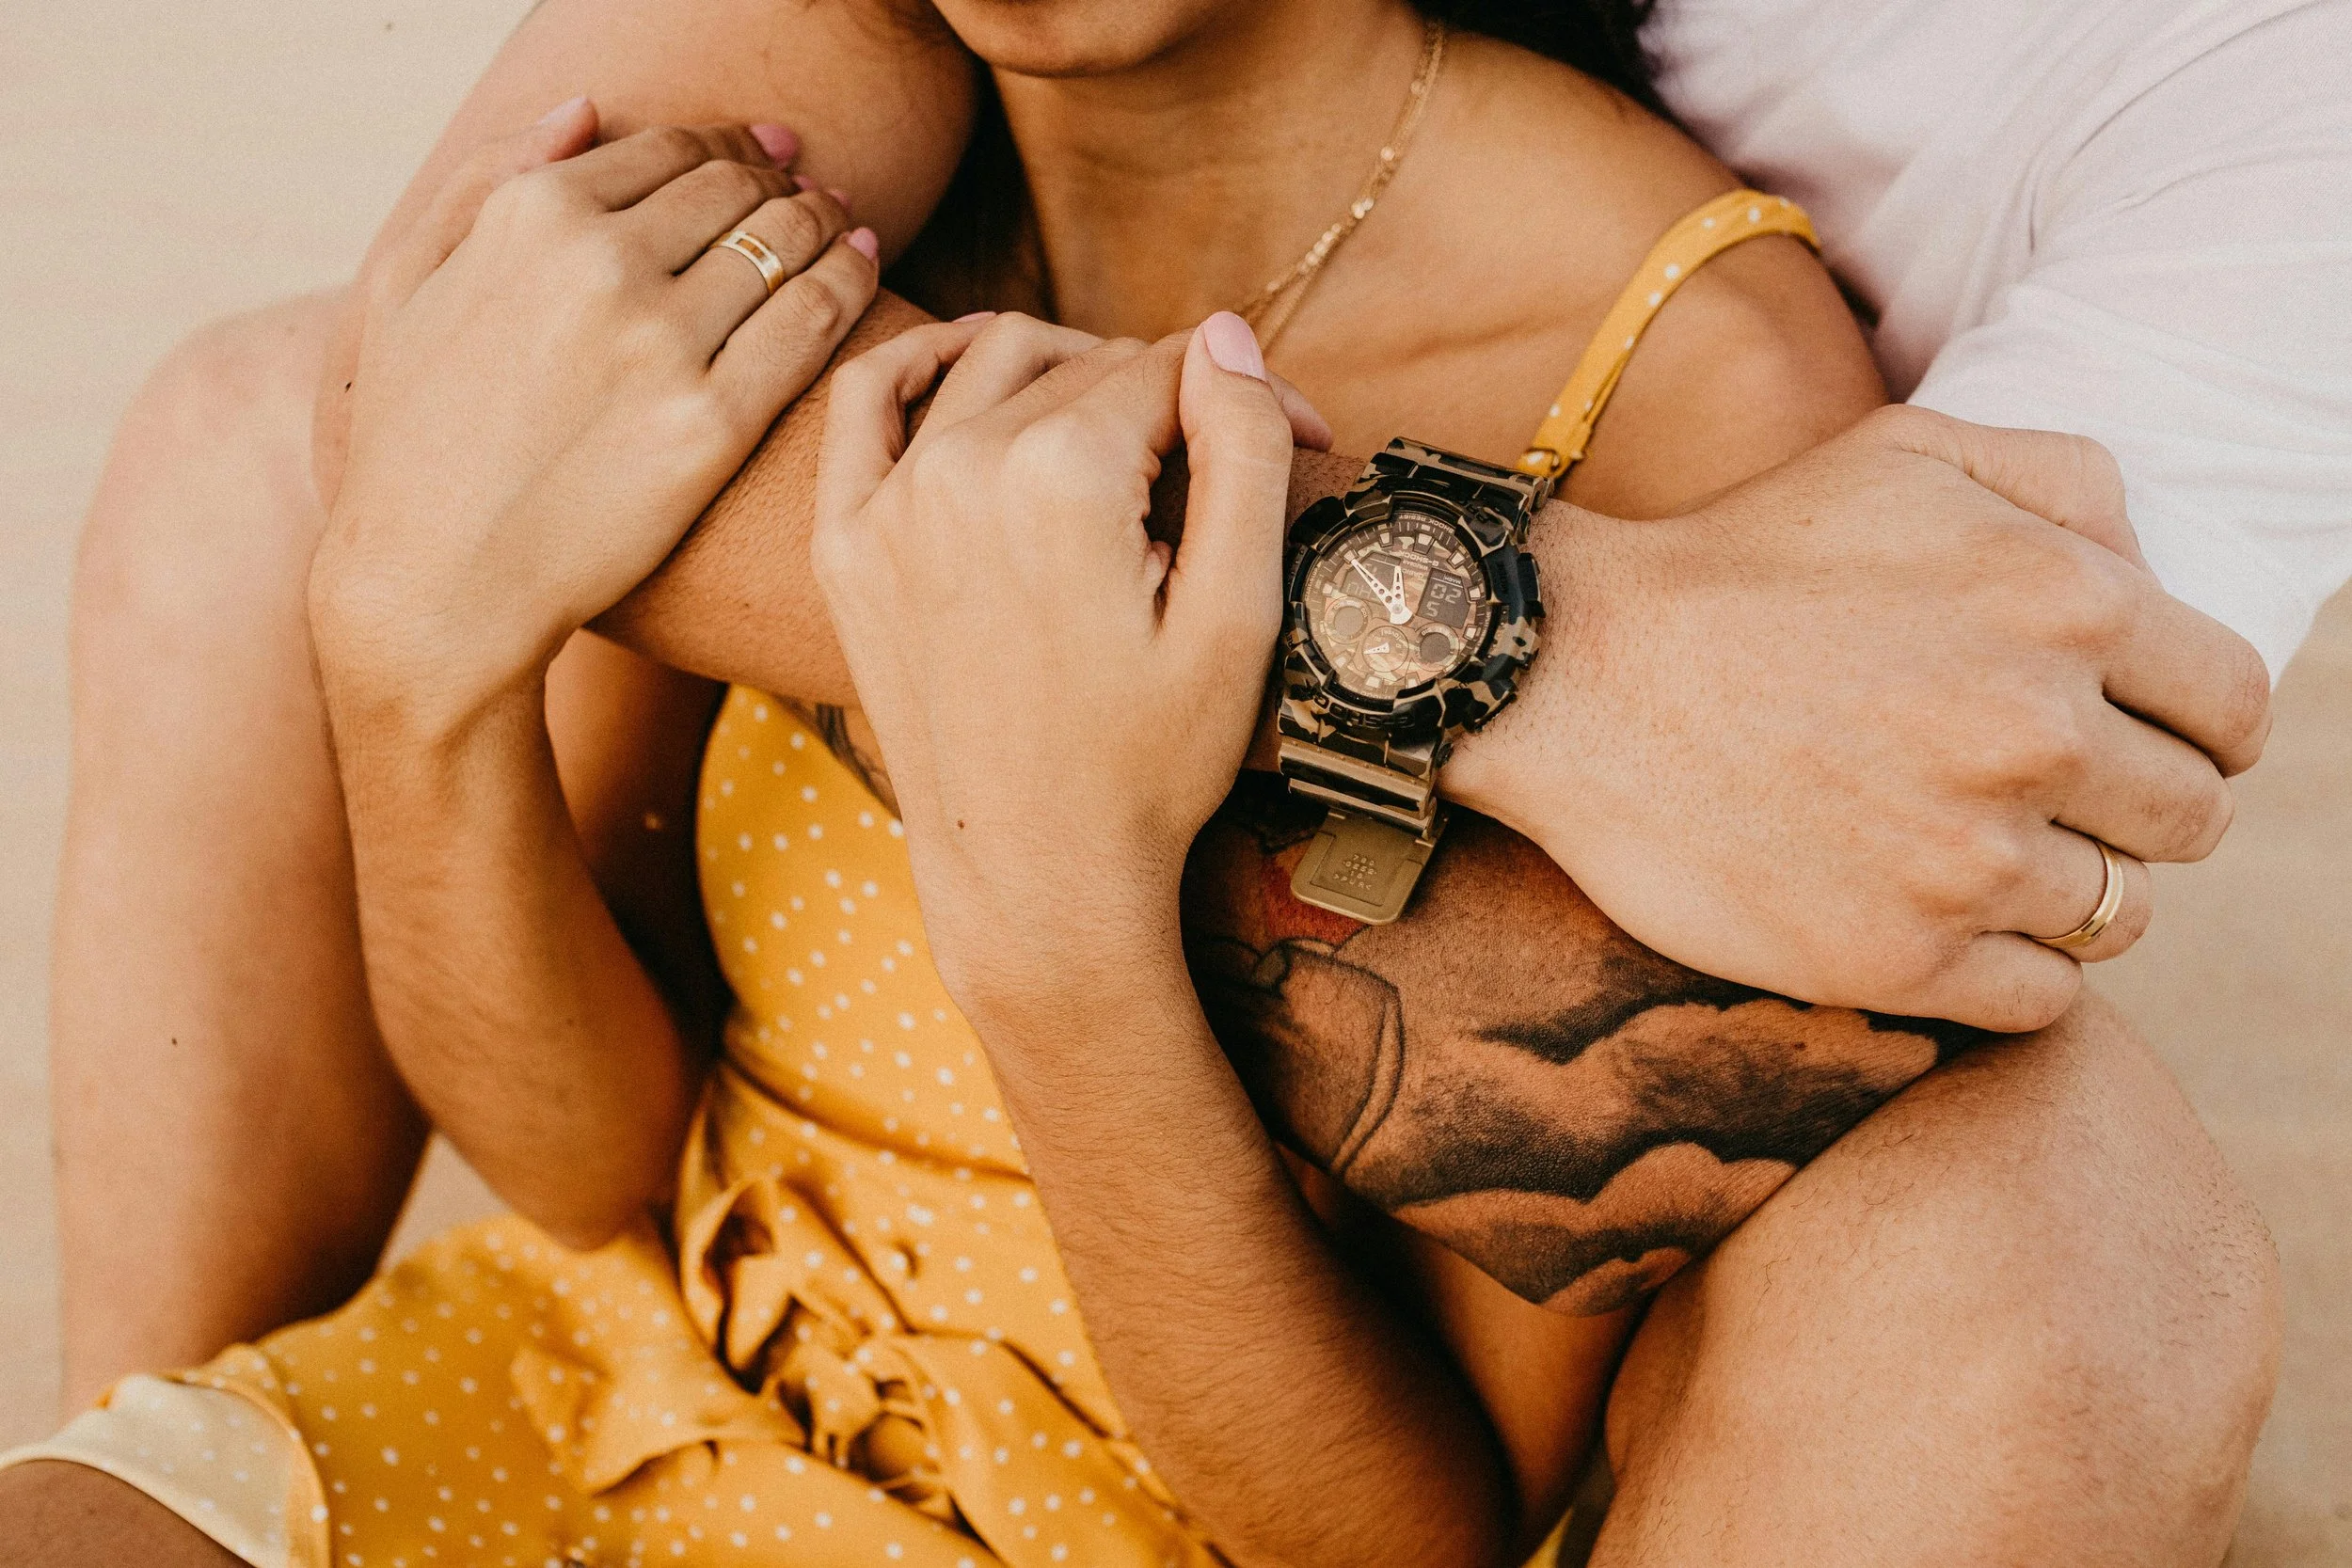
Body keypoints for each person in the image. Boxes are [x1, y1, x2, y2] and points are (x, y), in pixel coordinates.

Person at [8, 0, 2318, 1560]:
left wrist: (1060, 917)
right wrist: (412, 678)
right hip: (598, 1379)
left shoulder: (1687, 377)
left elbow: (1412, 1523)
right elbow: (594, 1159)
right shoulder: (831, 209)